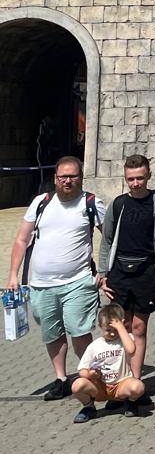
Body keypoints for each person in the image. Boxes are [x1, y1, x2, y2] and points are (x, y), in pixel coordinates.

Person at [7, 156, 104, 399]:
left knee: (79, 331)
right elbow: (22, 239)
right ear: (55, 178)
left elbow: (110, 238)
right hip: (41, 285)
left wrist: (105, 272)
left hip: (78, 282)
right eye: (63, 177)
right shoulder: (41, 202)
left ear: (81, 178)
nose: (67, 181)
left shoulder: (91, 203)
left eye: (72, 176)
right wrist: (13, 275)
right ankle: (61, 379)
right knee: (52, 334)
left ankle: (91, 377)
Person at [98, 154, 155, 382]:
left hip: (147, 272)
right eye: (130, 179)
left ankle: (136, 380)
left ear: (148, 176)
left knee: (139, 327)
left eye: (140, 178)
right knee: (121, 326)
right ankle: (118, 378)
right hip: (119, 273)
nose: (135, 183)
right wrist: (103, 274)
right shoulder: (118, 204)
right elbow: (106, 241)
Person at [71, 301, 144, 422]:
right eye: (108, 330)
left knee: (138, 387)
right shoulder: (95, 346)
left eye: (115, 330)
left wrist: (121, 328)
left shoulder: (125, 339)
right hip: (101, 386)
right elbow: (82, 370)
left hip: (121, 384)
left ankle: (131, 402)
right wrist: (90, 374)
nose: (112, 333)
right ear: (100, 326)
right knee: (77, 385)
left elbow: (131, 350)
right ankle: (88, 407)